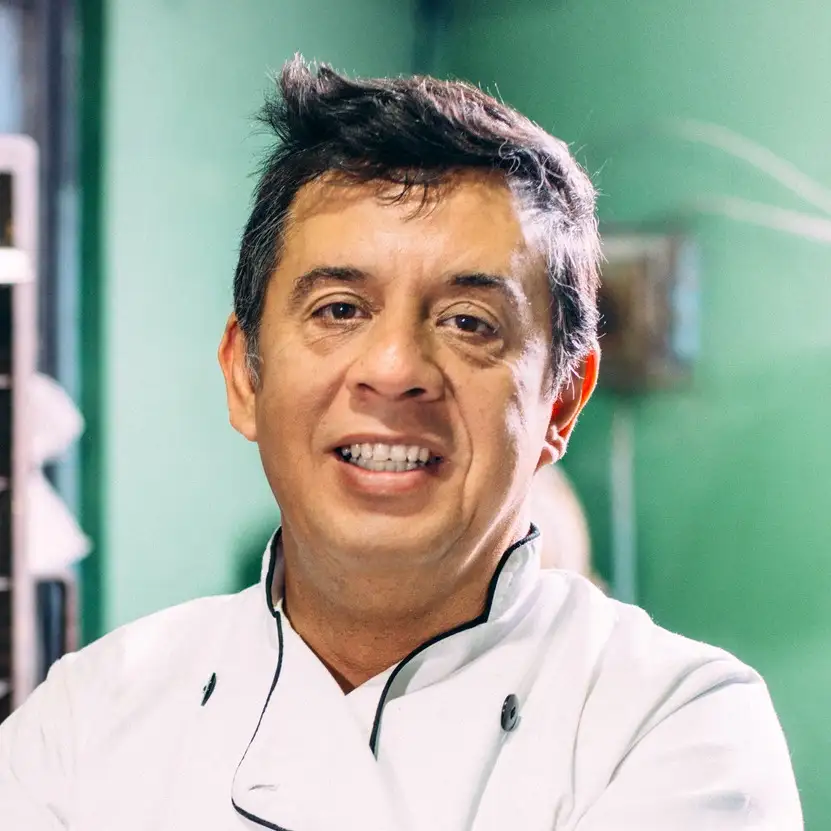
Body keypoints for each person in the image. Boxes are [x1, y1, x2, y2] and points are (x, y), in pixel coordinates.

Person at [0, 57, 802, 830]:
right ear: (244, 376)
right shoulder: (84, 720)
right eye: (339, 309)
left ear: (561, 401)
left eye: (468, 322)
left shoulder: (674, 724)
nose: (393, 371)